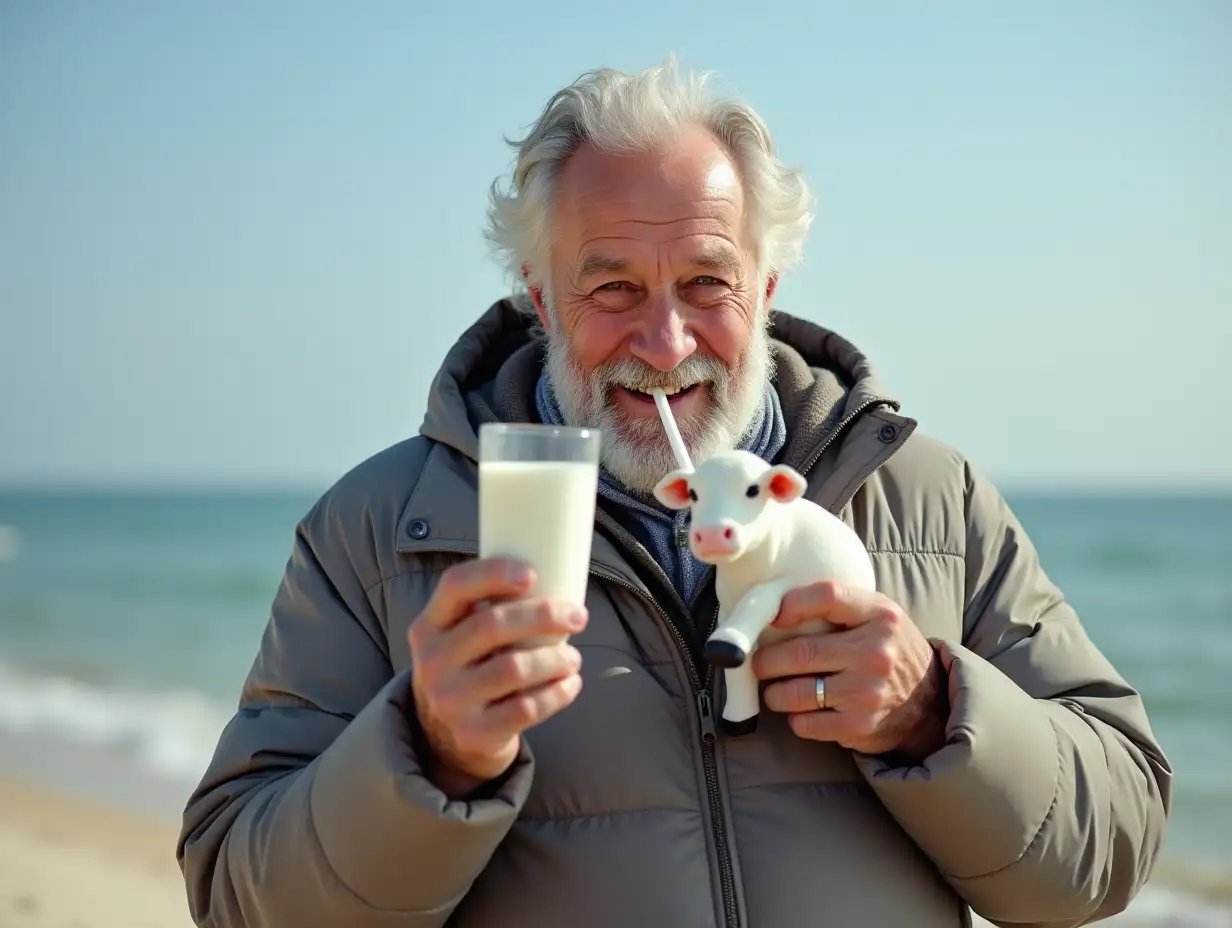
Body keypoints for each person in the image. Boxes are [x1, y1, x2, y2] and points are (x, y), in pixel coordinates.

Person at [176, 60, 1172, 928]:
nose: (664, 345)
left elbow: (1111, 848)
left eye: (705, 283)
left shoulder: (929, 497)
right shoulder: (375, 529)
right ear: (536, 292)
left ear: (767, 284)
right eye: (610, 288)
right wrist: (426, 754)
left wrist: (933, 714)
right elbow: (236, 891)